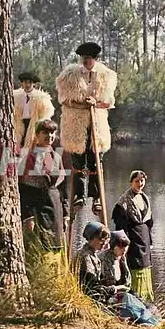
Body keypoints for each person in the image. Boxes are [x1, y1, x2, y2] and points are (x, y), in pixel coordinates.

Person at [55, 42, 117, 213]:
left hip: (96, 124)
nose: (85, 61)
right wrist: (80, 104)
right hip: (76, 123)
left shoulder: (106, 76)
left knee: (96, 160)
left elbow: (109, 102)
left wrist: (96, 103)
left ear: (95, 59)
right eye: (83, 58)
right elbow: (63, 99)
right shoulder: (69, 75)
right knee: (78, 160)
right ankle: (79, 195)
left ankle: (96, 197)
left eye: (89, 59)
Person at [74, 224, 160, 326]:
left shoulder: (93, 255)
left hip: (102, 296)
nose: (105, 243)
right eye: (102, 239)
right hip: (96, 301)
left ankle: (150, 319)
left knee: (136, 301)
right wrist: (114, 289)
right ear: (92, 238)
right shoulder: (86, 257)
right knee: (127, 299)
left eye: (106, 240)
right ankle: (152, 322)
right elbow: (92, 289)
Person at [19, 119, 68, 252]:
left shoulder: (57, 157)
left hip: (56, 206)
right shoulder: (29, 158)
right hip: (38, 208)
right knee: (41, 246)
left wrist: (65, 214)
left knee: (57, 247)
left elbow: (62, 188)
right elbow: (24, 190)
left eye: (52, 132)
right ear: (37, 135)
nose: (50, 136)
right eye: (45, 132)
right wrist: (27, 215)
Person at [99, 230, 161, 326]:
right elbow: (101, 286)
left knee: (147, 305)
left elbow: (127, 284)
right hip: (110, 298)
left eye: (125, 247)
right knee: (131, 303)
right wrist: (115, 289)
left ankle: (153, 320)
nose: (124, 250)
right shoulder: (103, 259)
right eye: (121, 247)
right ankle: (151, 322)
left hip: (124, 293)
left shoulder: (122, 258)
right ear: (113, 245)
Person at [111, 170, 155, 303]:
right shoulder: (124, 202)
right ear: (131, 182)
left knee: (145, 266)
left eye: (142, 181)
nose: (140, 184)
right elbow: (120, 226)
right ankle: (133, 298)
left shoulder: (145, 198)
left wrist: (150, 241)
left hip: (145, 239)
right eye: (137, 181)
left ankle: (146, 298)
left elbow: (149, 222)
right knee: (134, 267)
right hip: (132, 239)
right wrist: (124, 244)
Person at [13, 72, 55, 152]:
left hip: (34, 123)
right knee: (19, 144)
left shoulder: (41, 98)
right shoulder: (17, 96)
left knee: (32, 145)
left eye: (30, 82)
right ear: (22, 83)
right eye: (25, 82)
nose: (27, 85)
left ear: (33, 84)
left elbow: (46, 114)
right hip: (20, 123)